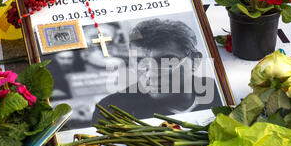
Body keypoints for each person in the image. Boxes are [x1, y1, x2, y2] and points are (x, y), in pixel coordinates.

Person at [91, 18, 223, 123]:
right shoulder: (112, 110)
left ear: (195, 61)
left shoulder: (220, 92)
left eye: (166, 61)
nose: (151, 74)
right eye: (140, 62)